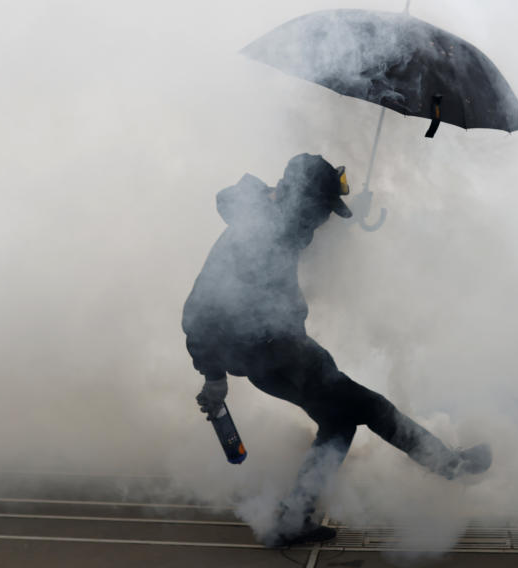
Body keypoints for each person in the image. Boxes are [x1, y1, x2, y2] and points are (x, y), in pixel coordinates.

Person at [182, 153, 491, 547]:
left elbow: (300, 231)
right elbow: (199, 311)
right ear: (305, 202)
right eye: (323, 209)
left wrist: (350, 214)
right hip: (281, 353)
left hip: (275, 355)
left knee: (339, 421)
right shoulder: (262, 233)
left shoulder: (274, 219)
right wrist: (213, 378)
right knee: (371, 407)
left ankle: (295, 517)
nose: (324, 219)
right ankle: (449, 464)